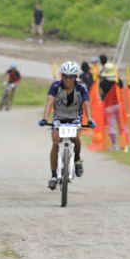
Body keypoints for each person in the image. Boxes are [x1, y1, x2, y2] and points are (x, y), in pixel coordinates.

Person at [38, 61, 95, 190]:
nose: (68, 80)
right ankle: (53, 176)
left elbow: (86, 103)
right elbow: (49, 101)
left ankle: (77, 159)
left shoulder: (82, 87)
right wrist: (44, 118)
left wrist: (90, 118)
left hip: (75, 118)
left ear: (76, 77)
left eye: (72, 77)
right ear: (61, 76)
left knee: (75, 138)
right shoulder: (55, 86)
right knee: (55, 142)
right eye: (65, 76)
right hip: (59, 117)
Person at [99, 62, 125, 150]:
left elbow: (101, 95)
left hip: (108, 107)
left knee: (111, 125)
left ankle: (114, 144)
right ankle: (124, 142)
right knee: (121, 124)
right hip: (118, 104)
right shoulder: (118, 81)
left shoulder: (102, 83)